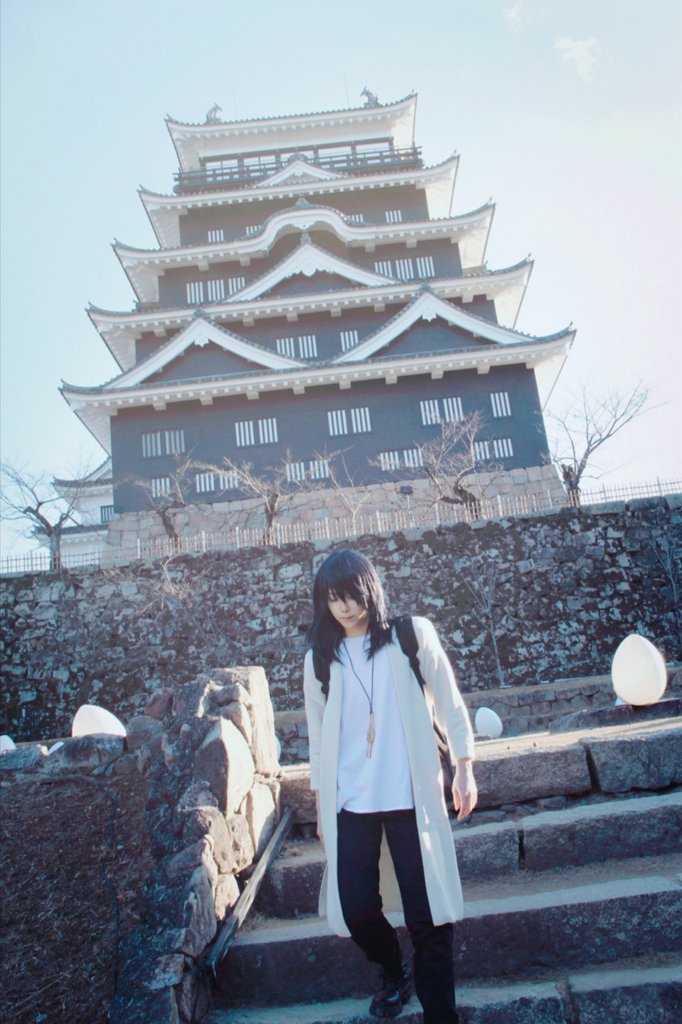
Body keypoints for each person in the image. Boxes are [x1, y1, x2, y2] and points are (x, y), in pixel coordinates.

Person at [304, 550, 477, 1023]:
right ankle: (392, 969)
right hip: (350, 801)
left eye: (351, 595)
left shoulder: (410, 636)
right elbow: (318, 741)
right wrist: (321, 807)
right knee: (356, 908)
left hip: (410, 795)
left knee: (428, 915)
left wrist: (464, 766)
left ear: (370, 590)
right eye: (333, 598)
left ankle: (441, 1013)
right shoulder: (320, 660)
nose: (344, 607)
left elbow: (449, 701)